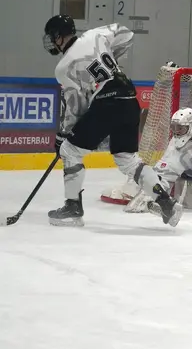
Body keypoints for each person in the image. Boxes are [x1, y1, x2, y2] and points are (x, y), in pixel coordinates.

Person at [42, 14, 182, 227]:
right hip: (129, 98)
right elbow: (127, 34)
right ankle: (165, 201)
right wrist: (110, 60)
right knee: (127, 158)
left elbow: (76, 107)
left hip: (107, 104)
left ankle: (72, 208)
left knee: (69, 151)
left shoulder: (63, 67)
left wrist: (64, 134)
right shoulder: (95, 34)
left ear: (59, 36)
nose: (53, 42)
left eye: (53, 37)